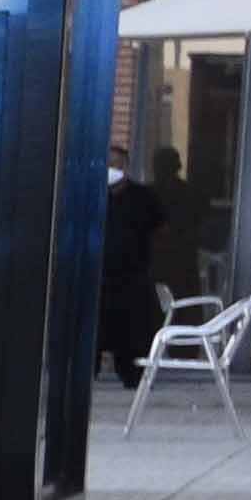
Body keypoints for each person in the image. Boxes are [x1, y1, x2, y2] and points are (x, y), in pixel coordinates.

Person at [98, 147, 175, 377]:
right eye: (109, 164)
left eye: (117, 164)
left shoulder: (143, 197)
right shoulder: (93, 193)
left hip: (133, 276)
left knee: (132, 331)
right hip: (98, 277)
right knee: (95, 328)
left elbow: (163, 230)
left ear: (126, 167)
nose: (113, 169)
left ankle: (132, 375)